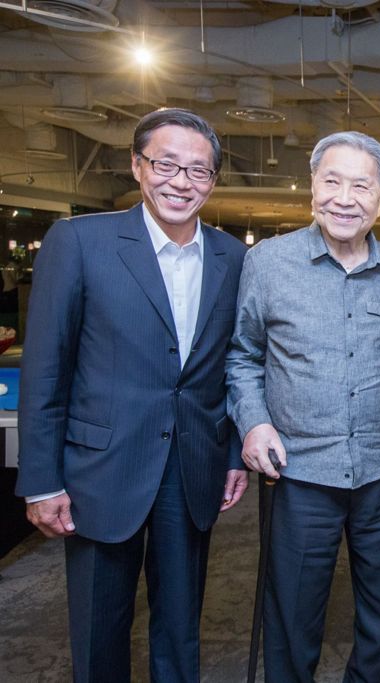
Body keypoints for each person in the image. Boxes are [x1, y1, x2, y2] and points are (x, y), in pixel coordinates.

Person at [15, 108, 248, 681]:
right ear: (137, 167)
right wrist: (42, 481)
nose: (181, 181)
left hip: (192, 466)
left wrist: (233, 452)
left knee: (179, 628)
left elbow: (236, 363)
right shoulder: (80, 241)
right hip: (101, 469)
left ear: (212, 181)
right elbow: (46, 370)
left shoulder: (233, 257)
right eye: (166, 164)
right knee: (99, 631)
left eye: (198, 170)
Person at [226, 131, 380, 682]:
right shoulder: (268, 263)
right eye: (333, 181)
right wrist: (254, 422)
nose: (346, 198)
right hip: (298, 473)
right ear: (312, 189)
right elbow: (242, 356)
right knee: (292, 617)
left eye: (361, 185)